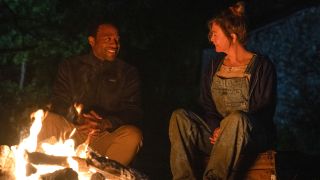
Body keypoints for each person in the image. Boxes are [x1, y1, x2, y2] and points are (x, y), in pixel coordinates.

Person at [169, 2, 277, 179]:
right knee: (179, 117)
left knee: (236, 118)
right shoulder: (213, 67)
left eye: (215, 34)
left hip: (251, 138)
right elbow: (208, 106)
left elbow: (263, 109)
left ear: (232, 36)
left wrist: (228, 128)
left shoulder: (262, 66)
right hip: (218, 137)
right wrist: (217, 128)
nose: (211, 38)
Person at [37, 21, 143, 166]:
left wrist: (106, 123)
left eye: (117, 40)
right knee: (45, 119)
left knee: (133, 135)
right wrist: (77, 118)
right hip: (74, 130)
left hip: (106, 135)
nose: (115, 44)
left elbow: (133, 110)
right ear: (92, 41)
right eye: (108, 39)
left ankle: (104, 174)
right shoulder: (70, 66)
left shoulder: (128, 72)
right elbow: (59, 101)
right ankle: (42, 170)